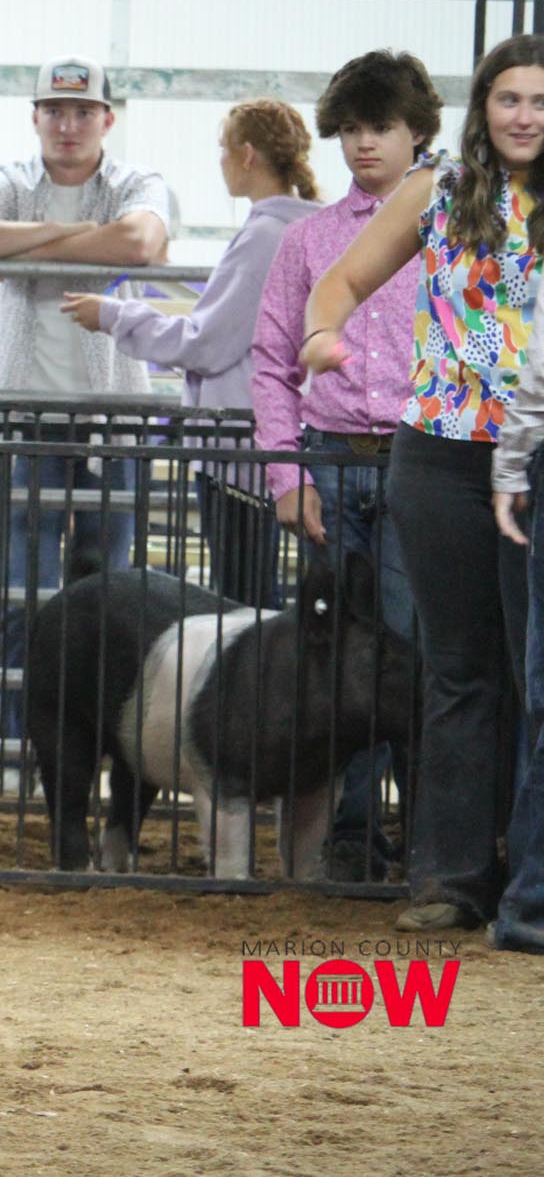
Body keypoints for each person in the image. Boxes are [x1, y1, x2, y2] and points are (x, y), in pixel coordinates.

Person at [302, 33, 544, 936]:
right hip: (440, 452)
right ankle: (450, 877)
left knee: (532, 673)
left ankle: (526, 881)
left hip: (534, 453)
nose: (525, 116)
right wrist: (321, 333)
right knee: (457, 668)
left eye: (541, 101)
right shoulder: (435, 189)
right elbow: (342, 279)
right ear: (483, 107)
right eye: (510, 98)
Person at [250, 49, 442, 881]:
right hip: (330, 461)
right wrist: (287, 477)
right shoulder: (307, 239)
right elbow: (270, 361)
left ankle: (433, 841)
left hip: (418, 459)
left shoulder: (448, 229)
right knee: (339, 660)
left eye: (382, 127)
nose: (365, 143)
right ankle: (353, 836)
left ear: (417, 132)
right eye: (353, 128)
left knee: (414, 649)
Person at [0, 55, 174, 754]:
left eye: (81, 112)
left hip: (115, 419)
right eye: (54, 111)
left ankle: (99, 745)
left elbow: (140, 240)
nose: (67, 125)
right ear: (35, 118)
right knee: (23, 592)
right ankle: (18, 749)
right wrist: (79, 242)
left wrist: (20, 248)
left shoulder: (136, 182)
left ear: (107, 119)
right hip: (29, 420)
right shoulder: (9, 180)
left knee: (111, 596)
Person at [60, 98, 323, 606]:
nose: (220, 161)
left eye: (223, 148)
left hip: (240, 445)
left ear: (247, 155)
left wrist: (115, 316)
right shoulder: (298, 229)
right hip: (267, 436)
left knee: (244, 594)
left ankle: (256, 662)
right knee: (260, 589)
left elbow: (207, 343)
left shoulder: (265, 237)